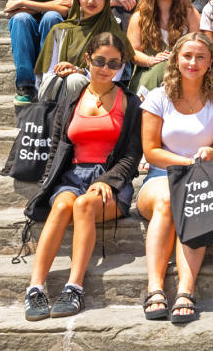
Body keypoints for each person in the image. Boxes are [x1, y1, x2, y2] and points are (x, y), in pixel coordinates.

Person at [22, 33, 142, 321]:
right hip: (72, 176)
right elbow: (56, 151)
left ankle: (74, 287)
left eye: (114, 63)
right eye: (99, 60)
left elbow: (132, 155)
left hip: (111, 180)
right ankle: (34, 288)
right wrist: (43, 189)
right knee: (62, 204)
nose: (105, 68)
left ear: (122, 66)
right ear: (87, 59)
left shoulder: (130, 102)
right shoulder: (71, 100)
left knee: (83, 205)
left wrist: (108, 181)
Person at [137, 33, 213, 322]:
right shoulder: (159, 97)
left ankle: (185, 290)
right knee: (168, 198)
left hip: (203, 178)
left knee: (193, 200)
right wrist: (187, 161)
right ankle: (155, 287)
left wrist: (209, 155)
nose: (193, 62)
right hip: (159, 177)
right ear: (176, 59)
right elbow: (151, 151)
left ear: (211, 62)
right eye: (187, 56)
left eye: (200, 57)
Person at [35, 0, 134, 103]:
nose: (90, 1)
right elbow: (48, 75)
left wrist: (79, 72)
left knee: (75, 80)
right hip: (58, 95)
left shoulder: (117, 37)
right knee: (58, 80)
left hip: (99, 97)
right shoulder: (60, 30)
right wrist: (64, 72)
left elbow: (112, 80)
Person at [6, 0, 79, 104]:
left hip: (57, 31)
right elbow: (10, 9)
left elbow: (66, 11)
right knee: (20, 19)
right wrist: (52, 3)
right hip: (29, 32)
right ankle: (25, 85)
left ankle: (48, 78)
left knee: (51, 17)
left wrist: (24, 3)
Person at [127, 0, 201, 96]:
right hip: (148, 72)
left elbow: (199, 45)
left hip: (182, 72)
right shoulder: (139, 17)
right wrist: (151, 60)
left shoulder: (190, 14)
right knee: (161, 66)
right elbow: (132, 52)